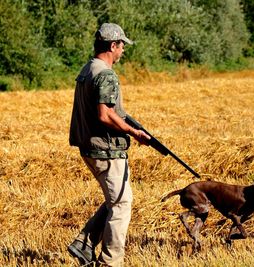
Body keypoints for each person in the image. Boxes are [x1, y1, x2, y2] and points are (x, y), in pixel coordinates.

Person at [68, 23, 150, 266]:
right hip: (106, 150)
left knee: (115, 199)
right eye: (122, 45)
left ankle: (83, 244)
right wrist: (133, 132)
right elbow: (104, 114)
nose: (123, 50)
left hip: (90, 147)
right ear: (112, 45)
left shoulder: (88, 69)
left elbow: (104, 111)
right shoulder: (105, 73)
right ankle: (110, 262)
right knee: (122, 204)